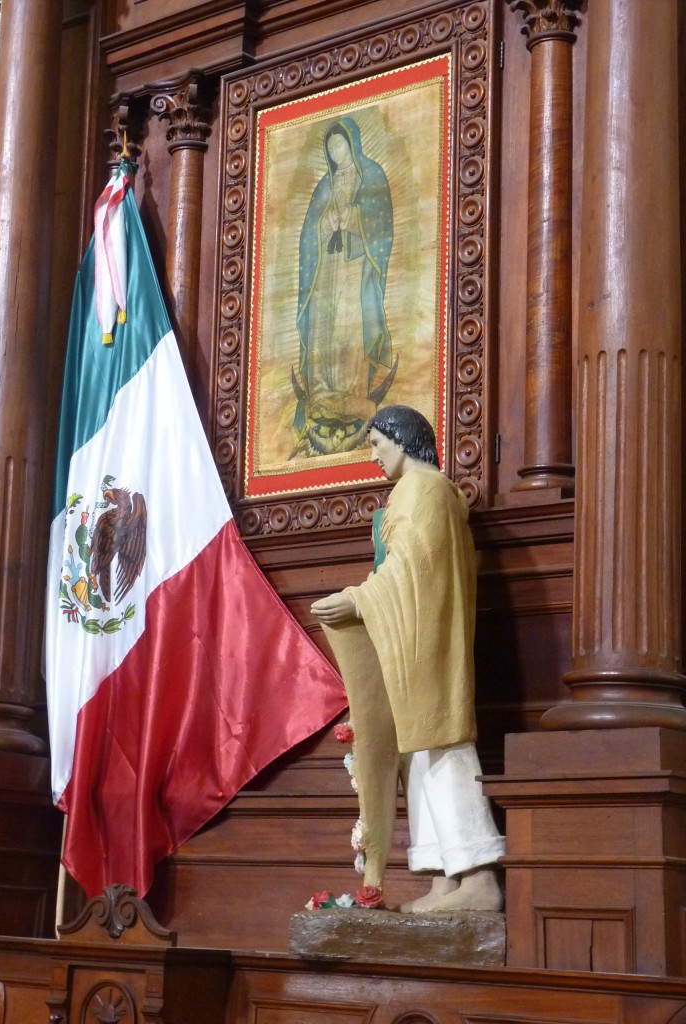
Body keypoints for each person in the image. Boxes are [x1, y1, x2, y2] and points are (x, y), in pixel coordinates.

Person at [311, 405, 504, 912]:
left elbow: (414, 569)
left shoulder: (425, 489)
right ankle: (444, 877)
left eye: (377, 443)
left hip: (429, 644)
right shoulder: (422, 492)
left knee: (442, 749)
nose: (373, 455)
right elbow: (407, 569)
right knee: (419, 751)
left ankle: (479, 876)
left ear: (402, 439)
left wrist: (358, 598)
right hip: (413, 642)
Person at [291, 118, 397, 459]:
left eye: (341, 145)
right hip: (327, 272)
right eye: (331, 148)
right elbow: (308, 234)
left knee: (349, 328)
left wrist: (352, 219)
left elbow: (381, 224)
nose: (337, 153)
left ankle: (351, 394)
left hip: (355, 268)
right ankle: (322, 394)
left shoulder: (373, 176)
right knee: (325, 328)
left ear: (352, 143)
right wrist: (325, 225)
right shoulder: (324, 186)